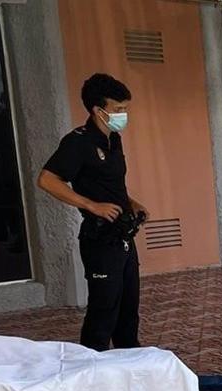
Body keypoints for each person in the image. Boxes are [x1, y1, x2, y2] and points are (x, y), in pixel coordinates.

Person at [39, 73, 149, 351]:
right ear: (98, 110)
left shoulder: (114, 140)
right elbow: (47, 180)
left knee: (128, 311)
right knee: (103, 312)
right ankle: (91, 364)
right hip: (99, 240)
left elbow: (110, 184)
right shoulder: (78, 142)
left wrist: (131, 203)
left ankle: (129, 364)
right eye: (118, 109)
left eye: (126, 108)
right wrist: (91, 205)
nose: (123, 114)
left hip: (123, 235)